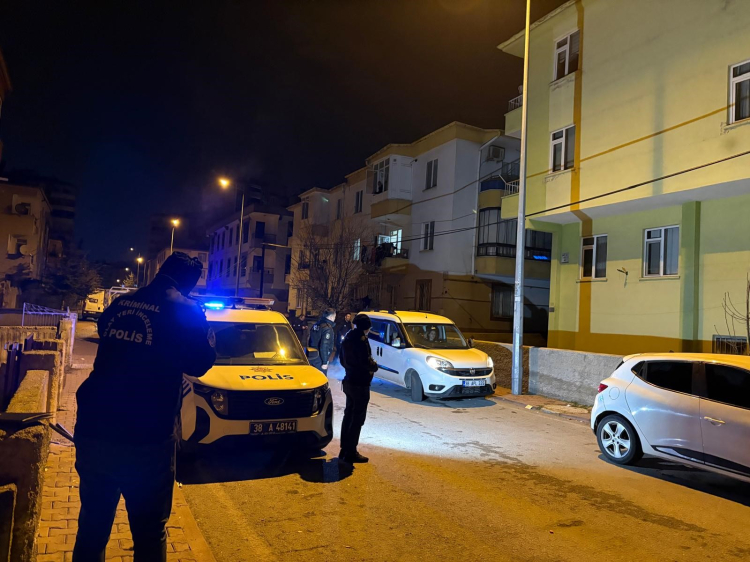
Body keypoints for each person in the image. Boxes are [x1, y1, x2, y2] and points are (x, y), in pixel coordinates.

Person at [73, 252, 216, 562]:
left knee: (92, 527)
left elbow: (106, 334)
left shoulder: (122, 302)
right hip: (146, 439)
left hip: (94, 429)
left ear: (161, 271)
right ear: (190, 285)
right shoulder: (186, 309)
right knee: (150, 533)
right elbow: (200, 362)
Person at [339, 313, 378, 464]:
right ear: (366, 327)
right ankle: (351, 452)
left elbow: (342, 359)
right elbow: (365, 361)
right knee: (357, 419)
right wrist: (374, 366)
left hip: (349, 380)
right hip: (360, 383)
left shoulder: (348, 337)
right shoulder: (361, 340)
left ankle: (344, 449)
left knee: (349, 415)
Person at [309, 308, 336, 373]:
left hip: (312, 355)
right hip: (320, 358)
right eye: (335, 317)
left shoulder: (316, 325)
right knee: (321, 377)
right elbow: (324, 346)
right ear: (331, 317)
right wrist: (324, 362)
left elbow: (310, 339)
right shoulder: (327, 328)